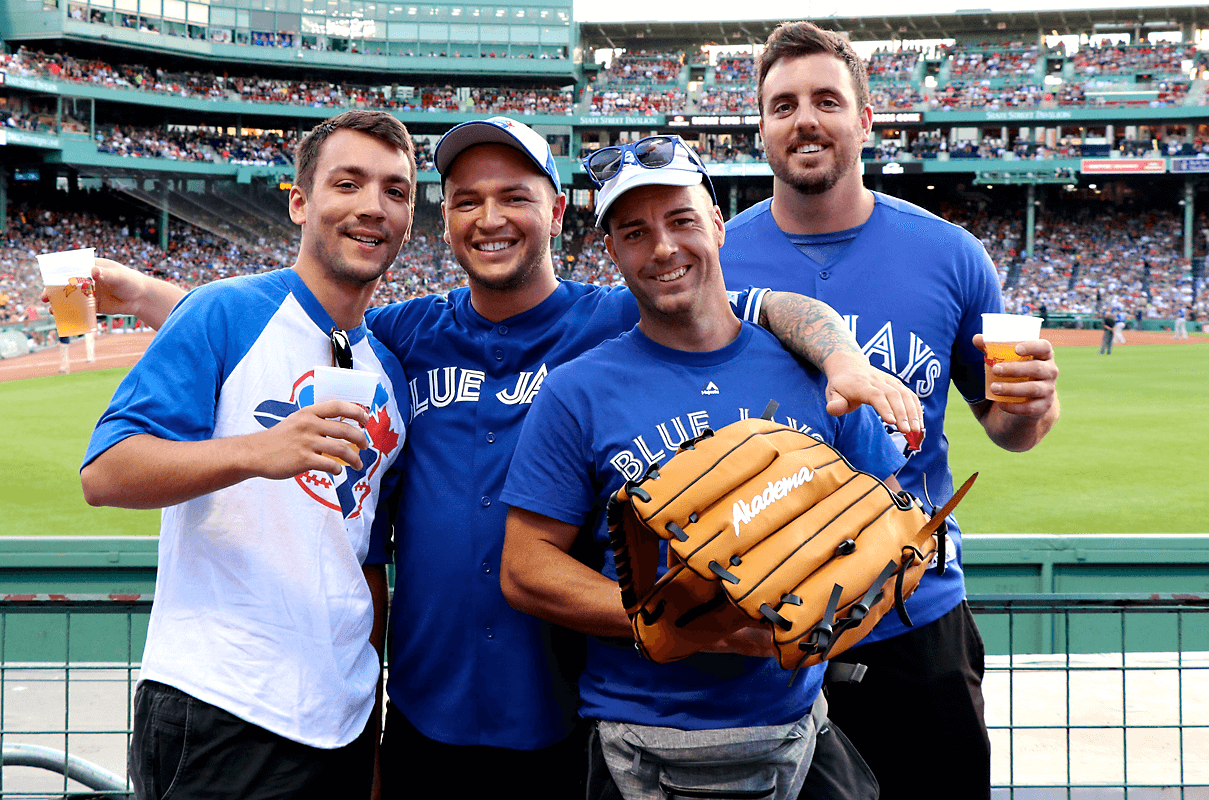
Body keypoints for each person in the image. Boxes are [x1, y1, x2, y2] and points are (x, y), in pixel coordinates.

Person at [85, 117, 921, 797]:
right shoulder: (405, 336)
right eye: (466, 200)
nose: (490, 218)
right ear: (443, 222)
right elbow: (296, 322)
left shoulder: (609, 321)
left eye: (514, 197)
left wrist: (840, 354)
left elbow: (754, 304)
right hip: (416, 708)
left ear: (555, 214)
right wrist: (167, 300)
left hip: (557, 712)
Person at [498, 135, 905, 800]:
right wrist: (682, 624)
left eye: (681, 220)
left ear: (717, 226)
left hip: (795, 730)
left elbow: (887, 526)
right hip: (637, 739)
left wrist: (821, 619)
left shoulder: (817, 371)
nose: (661, 248)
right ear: (612, 252)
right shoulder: (577, 391)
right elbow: (525, 567)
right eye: (633, 232)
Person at [718, 22, 1060, 800]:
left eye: (826, 100)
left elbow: (1004, 427)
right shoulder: (718, 259)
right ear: (761, 128)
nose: (803, 119)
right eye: (782, 105)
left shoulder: (948, 253)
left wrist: (1035, 407)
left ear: (865, 120)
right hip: (761, 625)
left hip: (916, 612)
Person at [80, 110, 414, 800]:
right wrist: (259, 451)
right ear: (299, 202)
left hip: (341, 721)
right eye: (346, 183)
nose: (371, 207)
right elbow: (107, 471)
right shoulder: (221, 312)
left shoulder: (390, 374)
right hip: (220, 706)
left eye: (395, 190)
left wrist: (372, 724)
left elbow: (364, 558)